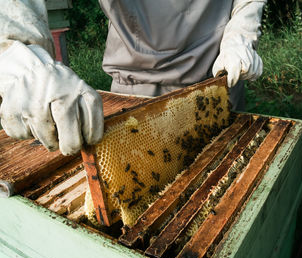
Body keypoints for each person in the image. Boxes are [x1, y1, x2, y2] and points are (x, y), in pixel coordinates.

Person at [0, 0, 266, 156]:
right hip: (133, 89)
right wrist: (22, 62)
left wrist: (239, 38)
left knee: (219, 182)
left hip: (215, 85)